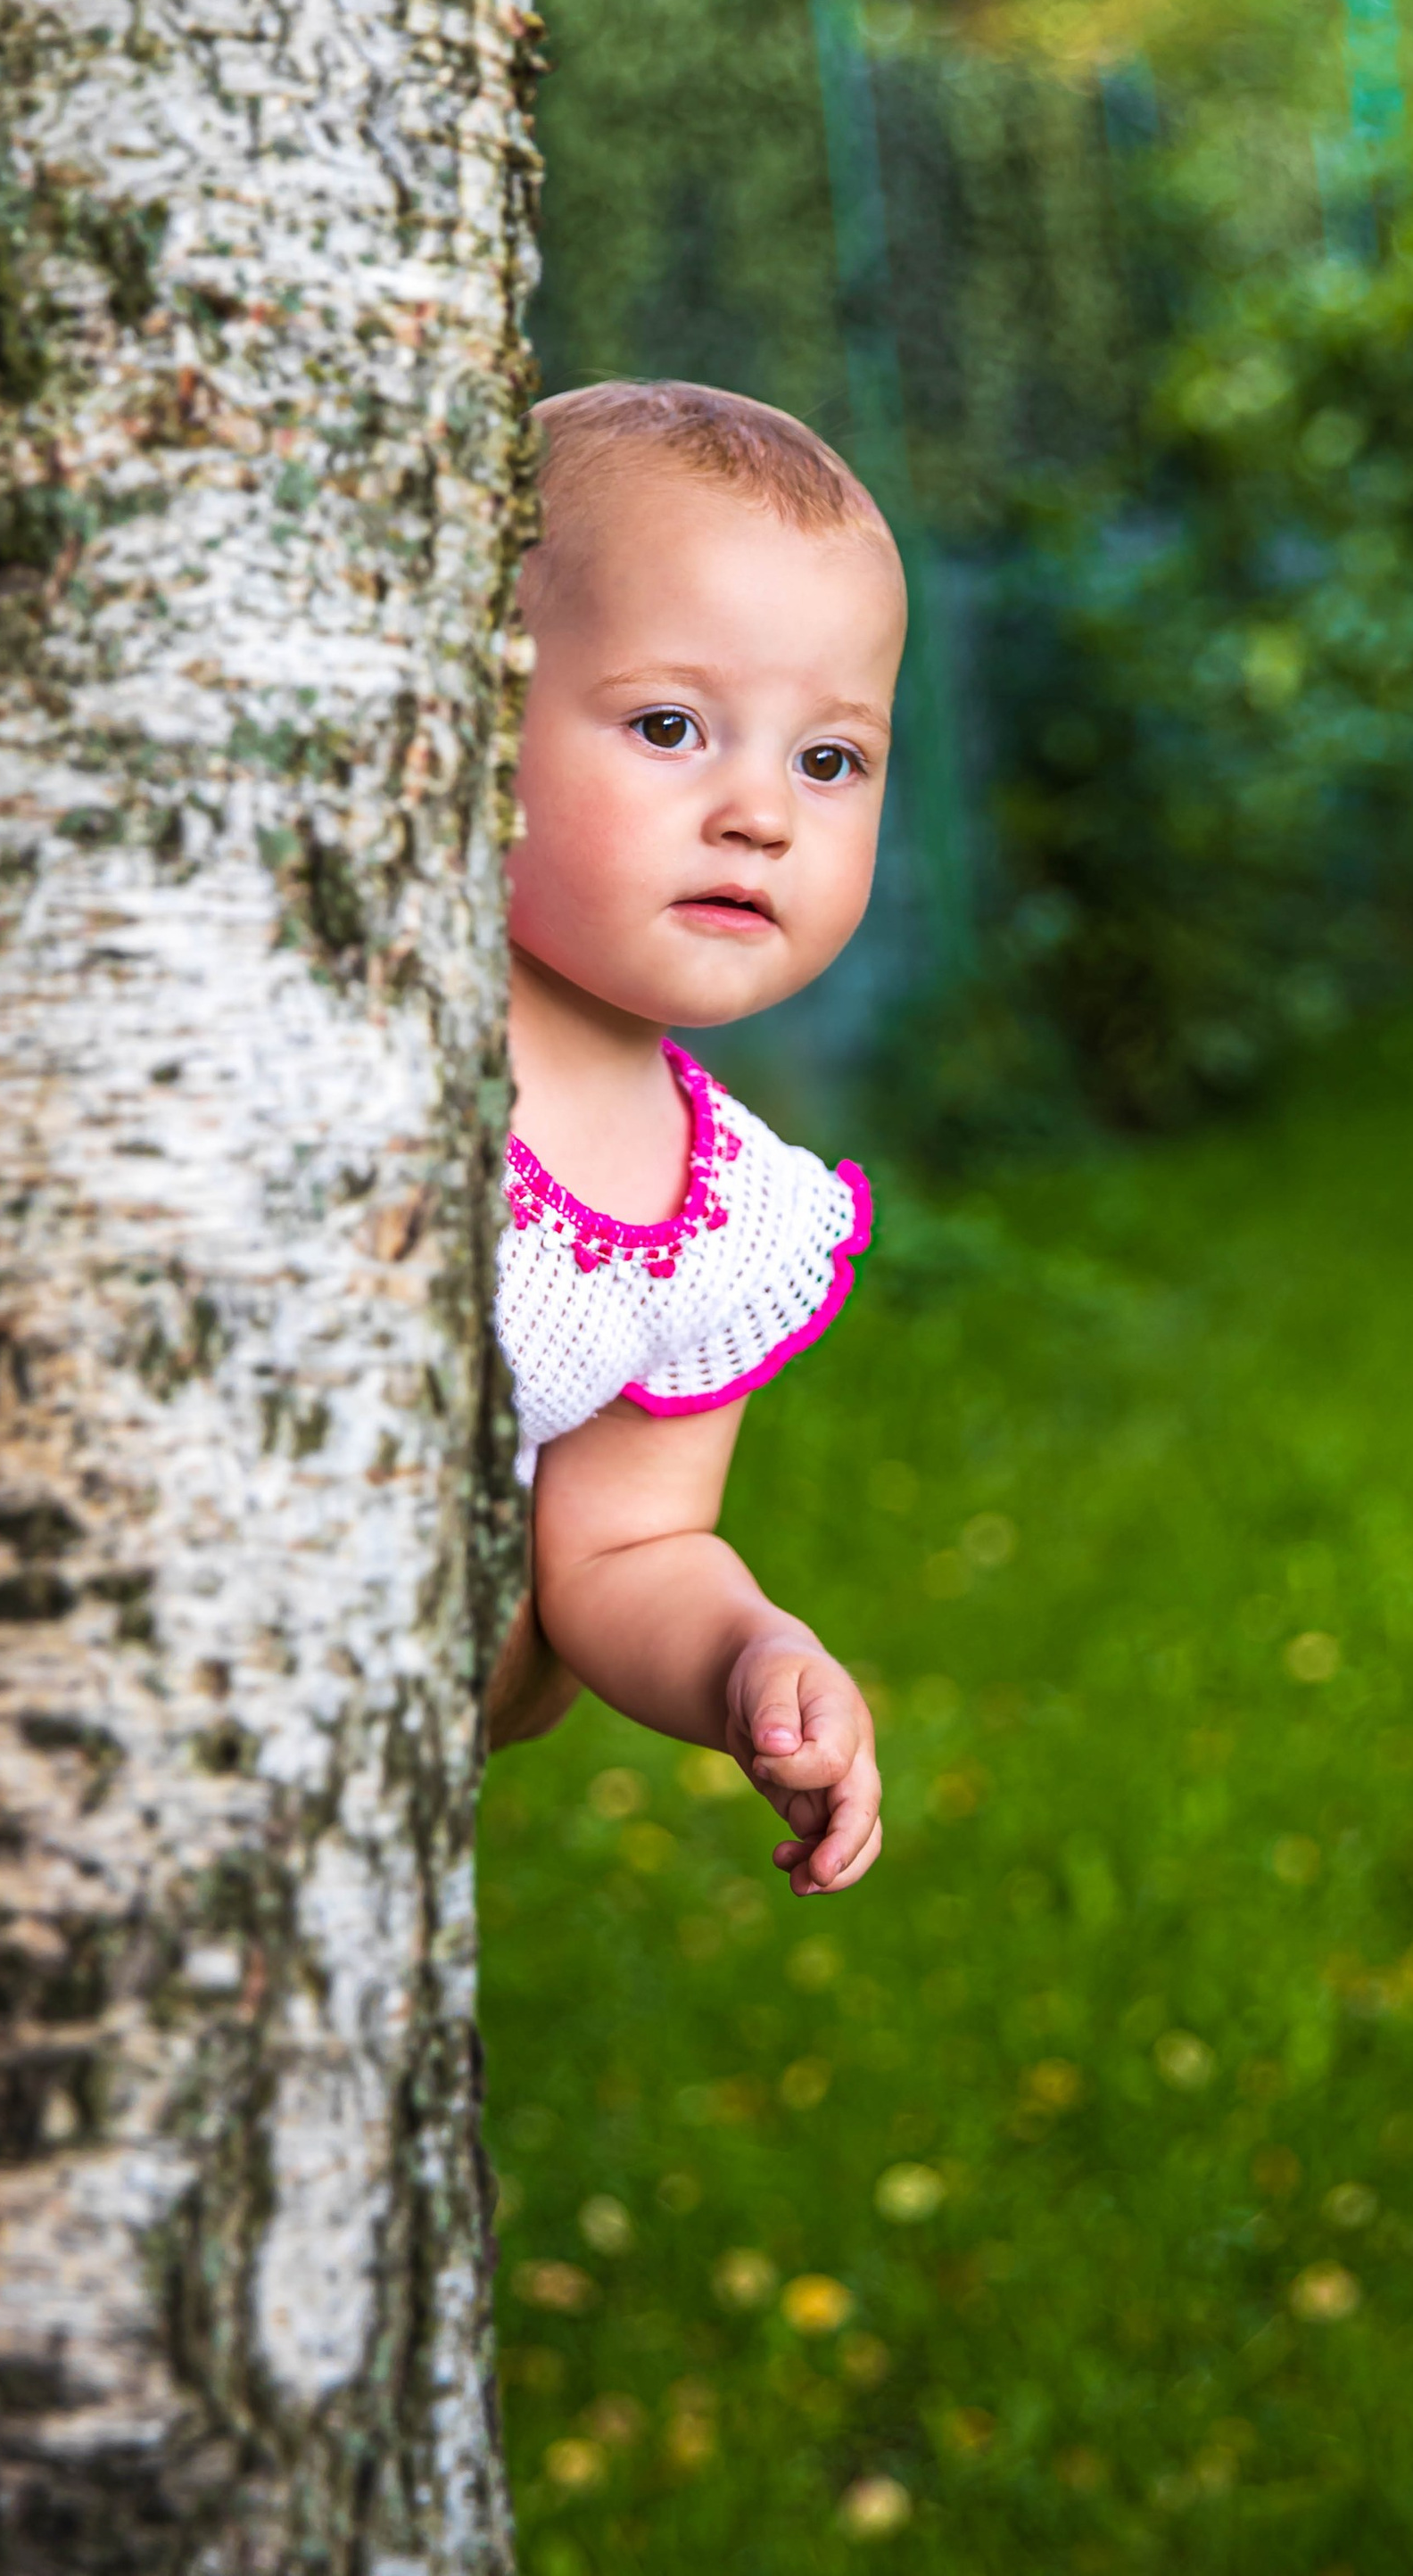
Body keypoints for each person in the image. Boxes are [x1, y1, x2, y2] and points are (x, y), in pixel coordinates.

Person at [485, 379, 901, 1898]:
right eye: (670, 727)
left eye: (829, 760)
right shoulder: (361, 1009)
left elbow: (621, 1555)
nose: (761, 816)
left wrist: (746, 1658)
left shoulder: (724, 1217)